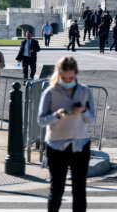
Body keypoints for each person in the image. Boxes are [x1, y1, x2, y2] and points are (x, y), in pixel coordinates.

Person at [37, 56, 95, 212]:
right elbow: (41, 120)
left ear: (76, 74)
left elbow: (92, 118)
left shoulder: (84, 91)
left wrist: (82, 111)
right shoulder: (50, 92)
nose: (68, 80)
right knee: (56, 190)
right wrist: (56, 115)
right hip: (56, 146)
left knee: (79, 191)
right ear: (58, 74)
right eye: (64, 77)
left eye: (71, 77)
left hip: (80, 145)